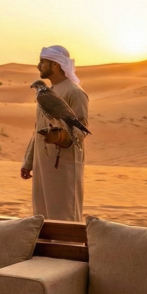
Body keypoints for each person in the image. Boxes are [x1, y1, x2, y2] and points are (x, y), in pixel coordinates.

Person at [21, 45, 90, 221]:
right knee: (42, 219)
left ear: (56, 65)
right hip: (42, 165)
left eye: (42, 62)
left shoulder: (74, 92)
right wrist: (29, 161)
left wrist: (59, 137)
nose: (38, 66)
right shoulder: (47, 93)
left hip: (63, 167)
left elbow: (80, 129)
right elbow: (38, 128)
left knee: (65, 219)